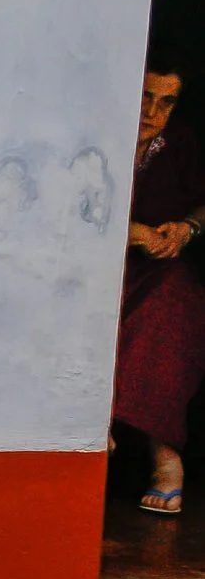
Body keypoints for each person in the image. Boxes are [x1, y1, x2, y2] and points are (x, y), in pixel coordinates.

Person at [114, 49, 205, 514]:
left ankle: (166, 458)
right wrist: (130, 233)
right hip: (99, 266)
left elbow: (201, 204)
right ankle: (91, 435)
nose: (152, 113)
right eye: (145, 97)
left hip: (153, 268)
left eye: (166, 103)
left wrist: (186, 229)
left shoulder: (180, 142)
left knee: (176, 301)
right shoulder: (103, 132)